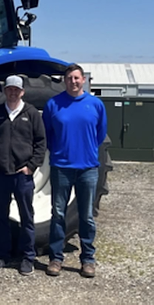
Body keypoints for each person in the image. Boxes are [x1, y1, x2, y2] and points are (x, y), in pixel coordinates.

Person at [43, 63, 107, 278]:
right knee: (58, 214)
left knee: (86, 216)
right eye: (70, 78)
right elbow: (47, 133)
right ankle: (56, 258)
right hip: (61, 167)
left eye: (77, 78)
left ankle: (88, 260)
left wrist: (86, 151)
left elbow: (100, 134)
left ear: (83, 80)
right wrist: (59, 152)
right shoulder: (53, 104)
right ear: (65, 80)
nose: (73, 81)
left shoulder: (95, 104)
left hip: (88, 168)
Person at [0, 75, 46, 276]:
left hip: (22, 176)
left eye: (16, 90)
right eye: (9, 89)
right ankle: (2, 254)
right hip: (1, 174)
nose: (13, 93)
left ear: (22, 92)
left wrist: (31, 166)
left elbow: (41, 142)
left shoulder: (31, 113)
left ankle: (28, 257)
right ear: (5, 91)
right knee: (1, 216)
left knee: (27, 216)